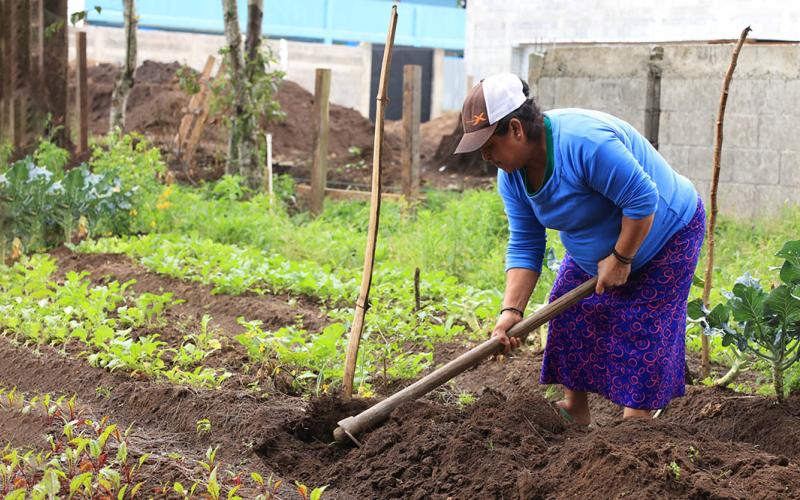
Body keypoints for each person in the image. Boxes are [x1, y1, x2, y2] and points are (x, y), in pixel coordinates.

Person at [454, 73, 704, 426]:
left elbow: (643, 200)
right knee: (568, 312)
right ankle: (575, 410)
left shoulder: (585, 143)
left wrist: (621, 258)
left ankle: (636, 424)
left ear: (515, 128)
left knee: (642, 327)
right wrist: (511, 310)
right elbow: (526, 242)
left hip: (667, 233)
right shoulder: (511, 175)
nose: (485, 155)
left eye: (488, 145)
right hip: (595, 247)